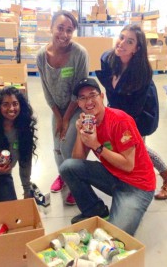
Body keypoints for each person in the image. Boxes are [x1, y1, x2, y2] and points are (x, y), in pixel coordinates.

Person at [60, 78, 156, 236]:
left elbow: (128, 165)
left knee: (114, 238)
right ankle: (95, 210)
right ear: (78, 103)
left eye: (92, 95)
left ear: (102, 96)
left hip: (138, 186)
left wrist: (96, 145)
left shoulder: (120, 120)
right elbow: (76, 160)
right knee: (67, 167)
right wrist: (80, 133)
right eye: (82, 98)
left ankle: (128, 209)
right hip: (113, 175)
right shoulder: (89, 124)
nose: (88, 101)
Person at [95, 24, 167, 200]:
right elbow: (109, 87)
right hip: (118, 108)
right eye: (121, 37)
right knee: (127, 148)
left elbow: (134, 110)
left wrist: (116, 123)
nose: (122, 43)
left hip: (140, 113)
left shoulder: (142, 73)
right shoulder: (108, 60)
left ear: (136, 48)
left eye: (130, 41)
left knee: (137, 147)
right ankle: (133, 179)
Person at [36, 10, 89, 205]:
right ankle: (64, 175)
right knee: (57, 148)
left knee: (68, 147)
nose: (64, 34)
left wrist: (66, 119)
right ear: (51, 28)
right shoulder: (42, 55)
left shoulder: (79, 54)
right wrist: (58, 116)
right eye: (60, 28)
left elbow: (79, 89)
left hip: (77, 108)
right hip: (57, 109)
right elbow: (46, 89)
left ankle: (77, 182)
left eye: (69, 30)